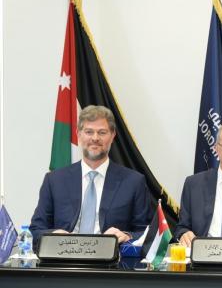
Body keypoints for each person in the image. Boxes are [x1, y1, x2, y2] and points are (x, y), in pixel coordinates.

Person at [30, 105, 152, 246]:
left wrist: (127, 236)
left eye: (102, 132)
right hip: (64, 255)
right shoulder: (54, 180)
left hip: (111, 257)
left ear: (113, 136)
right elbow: (36, 230)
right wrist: (53, 235)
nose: (95, 138)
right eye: (89, 132)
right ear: (78, 134)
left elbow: (147, 233)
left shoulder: (133, 182)